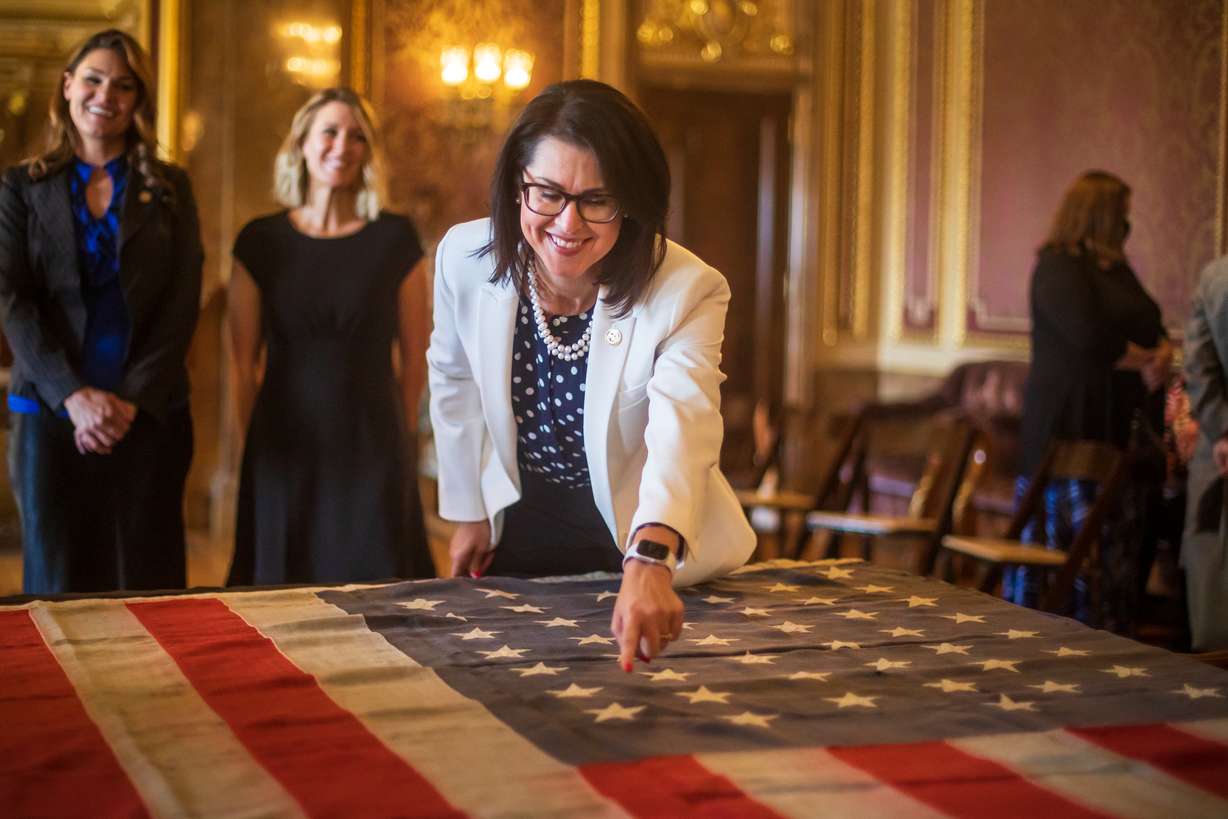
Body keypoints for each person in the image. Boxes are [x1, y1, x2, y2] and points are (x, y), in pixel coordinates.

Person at [428, 79, 755, 671]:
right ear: (515, 186)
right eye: (547, 194)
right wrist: (468, 509)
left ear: (631, 203)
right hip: (521, 525)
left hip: (636, 537)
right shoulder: (463, 258)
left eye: (596, 200)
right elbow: (453, 380)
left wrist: (651, 560)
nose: (568, 223)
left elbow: (684, 428)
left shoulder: (685, 288)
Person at [0, 29, 203, 594]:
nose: (105, 94)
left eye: (123, 85)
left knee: (148, 582)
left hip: (148, 414)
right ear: (67, 86)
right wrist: (73, 394)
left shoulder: (171, 188)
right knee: (56, 582)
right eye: (92, 79)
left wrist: (129, 402)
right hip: (48, 410)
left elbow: (183, 300)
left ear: (137, 100)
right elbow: (11, 298)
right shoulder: (21, 186)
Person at [227, 87, 433, 585]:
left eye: (357, 136)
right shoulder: (260, 241)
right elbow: (240, 362)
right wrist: (254, 451)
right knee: (279, 590)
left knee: (378, 589)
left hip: (372, 441)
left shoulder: (395, 239)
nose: (342, 145)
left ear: (368, 154)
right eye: (330, 132)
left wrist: (400, 442)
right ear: (301, 143)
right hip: (285, 440)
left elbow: (414, 356)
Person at [1012, 170, 1171, 630]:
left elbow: (1150, 321)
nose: (1127, 224)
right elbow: (1090, 338)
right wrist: (1146, 359)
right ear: (1098, 214)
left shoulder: (1117, 268)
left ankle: (1113, 632)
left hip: (1122, 425)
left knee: (1118, 551)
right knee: (1067, 556)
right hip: (1069, 428)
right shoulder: (1057, 267)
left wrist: (1163, 351)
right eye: (1121, 214)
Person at [1181, 254, 1228, 651]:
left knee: (1212, 571)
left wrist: (1223, 430)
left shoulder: (1216, 277)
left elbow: (1197, 368)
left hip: (1218, 450)